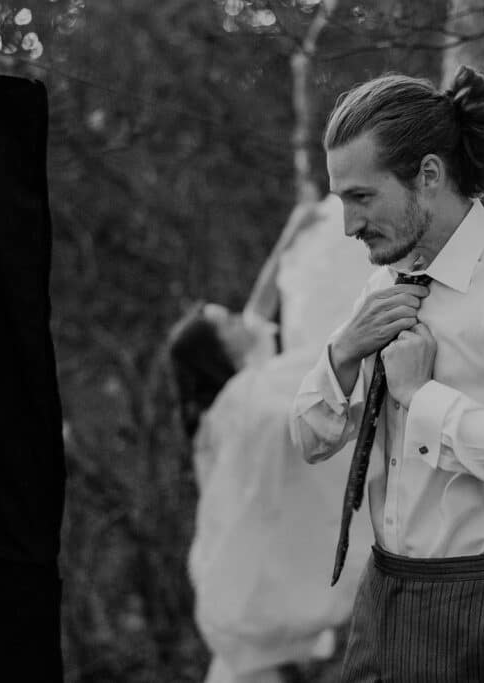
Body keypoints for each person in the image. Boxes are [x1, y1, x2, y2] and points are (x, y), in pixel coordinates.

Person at [289, 65, 484, 681]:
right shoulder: (383, 283)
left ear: (428, 175)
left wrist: (420, 398)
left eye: (361, 197)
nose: (348, 225)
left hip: (480, 609)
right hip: (381, 595)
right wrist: (344, 351)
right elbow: (312, 439)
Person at [172, 195, 375, 683]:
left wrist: (291, 233)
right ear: (218, 351)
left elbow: (258, 307)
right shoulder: (238, 408)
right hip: (248, 579)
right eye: (227, 324)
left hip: (245, 596)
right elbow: (294, 421)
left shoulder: (248, 380)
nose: (243, 323)